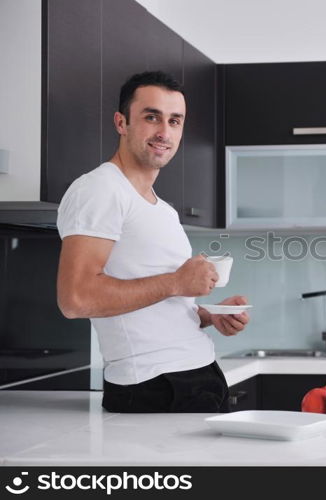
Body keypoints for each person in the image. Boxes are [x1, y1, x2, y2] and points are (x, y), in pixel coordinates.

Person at [56, 71, 249, 413]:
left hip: (195, 375)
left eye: (175, 121)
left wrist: (207, 316)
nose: (164, 132)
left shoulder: (163, 209)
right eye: (151, 117)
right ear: (121, 122)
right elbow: (76, 298)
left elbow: (160, 303)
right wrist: (177, 281)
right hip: (153, 385)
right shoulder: (99, 190)